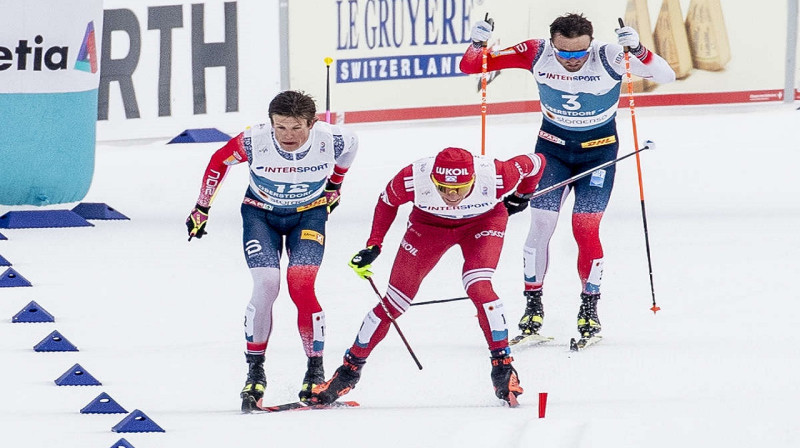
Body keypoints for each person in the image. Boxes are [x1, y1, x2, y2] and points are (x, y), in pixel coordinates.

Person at [460, 13, 675, 342]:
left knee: (585, 227)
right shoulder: (536, 51)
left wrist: (639, 49)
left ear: (590, 43)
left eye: (579, 53)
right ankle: (533, 307)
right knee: (541, 226)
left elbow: (667, 75)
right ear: (552, 43)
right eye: (564, 53)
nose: (571, 60)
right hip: (553, 152)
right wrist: (477, 44)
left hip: (598, 153)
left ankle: (589, 310)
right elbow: (473, 66)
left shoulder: (609, 55)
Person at [309, 146, 546, 407]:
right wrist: (374, 244)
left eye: (459, 188)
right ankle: (348, 372)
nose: (451, 196)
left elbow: (538, 162)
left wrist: (523, 195)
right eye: (443, 188)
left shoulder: (499, 175)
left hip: (483, 223)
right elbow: (387, 201)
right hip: (429, 226)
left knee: (479, 286)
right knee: (395, 302)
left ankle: (503, 367)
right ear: (432, 179)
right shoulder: (413, 177)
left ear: (473, 179)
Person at [185, 90, 359, 412]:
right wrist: (201, 207)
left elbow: (351, 148)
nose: (287, 136)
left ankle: (315, 369)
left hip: (309, 215)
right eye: (280, 127)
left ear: (312, 123)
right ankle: (255, 371)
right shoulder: (254, 141)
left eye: (296, 128)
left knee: (301, 285)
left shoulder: (332, 139)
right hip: (259, 215)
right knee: (266, 285)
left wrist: (335, 185)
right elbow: (217, 162)